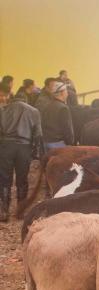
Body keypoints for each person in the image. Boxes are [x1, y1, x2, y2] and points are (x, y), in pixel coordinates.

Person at [0, 82, 43, 221]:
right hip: (24, 147)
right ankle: (20, 211)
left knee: (4, 180)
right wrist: (37, 154)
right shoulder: (34, 111)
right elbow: (38, 135)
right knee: (22, 180)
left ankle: (4, 212)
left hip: (6, 146)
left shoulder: (3, 109)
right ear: (26, 100)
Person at [36, 81, 75, 151]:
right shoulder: (63, 108)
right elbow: (67, 128)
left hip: (45, 142)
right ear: (62, 92)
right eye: (66, 91)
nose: (67, 94)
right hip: (58, 144)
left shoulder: (47, 105)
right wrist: (70, 143)